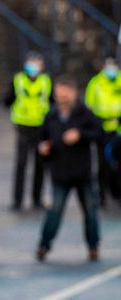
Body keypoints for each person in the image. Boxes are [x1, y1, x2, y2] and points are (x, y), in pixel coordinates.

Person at [37, 76, 102, 262]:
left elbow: (99, 133)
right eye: (60, 91)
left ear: (74, 93)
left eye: (66, 91)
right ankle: (44, 245)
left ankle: (93, 246)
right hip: (60, 173)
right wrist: (43, 149)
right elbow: (42, 141)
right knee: (54, 212)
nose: (62, 95)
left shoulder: (84, 113)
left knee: (90, 211)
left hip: (82, 173)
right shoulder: (51, 115)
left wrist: (80, 135)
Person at [4, 52, 51, 210]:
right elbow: (7, 100)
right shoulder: (18, 80)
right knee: (21, 165)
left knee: (40, 165)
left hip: (41, 129)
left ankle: (37, 199)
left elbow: (51, 102)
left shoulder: (45, 81)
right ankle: (17, 200)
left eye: (37, 63)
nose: (33, 67)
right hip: (23, 128)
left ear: (42, 65)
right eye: (31, 63)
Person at [85, 58, 121, 207]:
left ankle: (117, 193)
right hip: (101, 129)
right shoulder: (95, 83)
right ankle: (102, 195)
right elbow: (89, 105)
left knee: (119, 164)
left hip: (118, 129)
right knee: (102, 164)